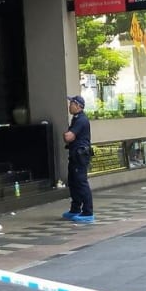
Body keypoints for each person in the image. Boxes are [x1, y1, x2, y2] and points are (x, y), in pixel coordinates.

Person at [61, 95, 94, 224]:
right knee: (73, 182)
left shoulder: (81, 120)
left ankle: (88, 212)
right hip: (75, 155)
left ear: (78, 106)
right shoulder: (75, 119)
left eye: (72, 104)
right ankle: (75, 209)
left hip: (80, 156)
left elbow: (69, 137)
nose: (69, 106)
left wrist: (66, 135)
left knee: (81, 182)